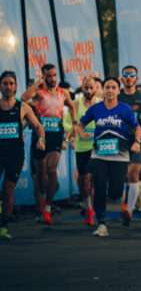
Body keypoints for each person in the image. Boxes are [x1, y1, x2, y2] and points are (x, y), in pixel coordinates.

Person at [79, 77, 141, 237]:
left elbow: (137, 127)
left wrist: (137, 142)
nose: (110, 90)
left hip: (120, 155)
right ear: (103, 90)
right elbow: (80, 123)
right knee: (99, 186)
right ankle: (101, 223)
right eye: (107, 87)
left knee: (115, 193)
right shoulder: (96, 109)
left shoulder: (125, 109)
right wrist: (81, 133)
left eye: (113, 87)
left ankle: (126, 198)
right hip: (99, 154)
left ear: (118, 91)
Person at [21, 63, 76, 225]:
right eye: (49, 76)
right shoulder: (38, 92)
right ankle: (41, 203)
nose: (52, 79)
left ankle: (48, 208)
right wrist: (36, 84)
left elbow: (72, 106)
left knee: (52, 170)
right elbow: (23, 98)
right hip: (40, 135)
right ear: (44, 77)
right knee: (41, 173)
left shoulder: (63, 92)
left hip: (56, 135)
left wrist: (74, 123)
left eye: (54, 75)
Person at [0, 71, 45, 240]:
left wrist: (41, 139)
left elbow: (38, 126)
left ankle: (3, 226)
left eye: (11, 83)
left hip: (15, 155)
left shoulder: (23, 107)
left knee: (8, 190)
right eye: (5, 83)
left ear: (16, 86)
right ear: (0, 86)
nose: (8, 87)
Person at [118, 65, 141, 225]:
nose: (129, 78)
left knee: (133, 173)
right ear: (121, 78)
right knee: (124, 175)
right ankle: (133, 196)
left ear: (137, 78)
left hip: (139, 138)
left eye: (132, 75)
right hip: (121, 139)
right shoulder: (117, 96)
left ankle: (128, 210)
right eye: (126, 75)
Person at [71, 76, 100, 226]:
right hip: (82, 147)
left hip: (97, 146)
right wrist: (78, 133)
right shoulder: (76, 103)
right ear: (82, 88)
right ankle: (88, 206)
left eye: (91, 88)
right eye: (86, 88)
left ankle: (92, 208)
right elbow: (71, 123)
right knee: (84, 180)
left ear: (96, 88)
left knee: (93, 179)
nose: (88, 91)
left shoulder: (101, 103)